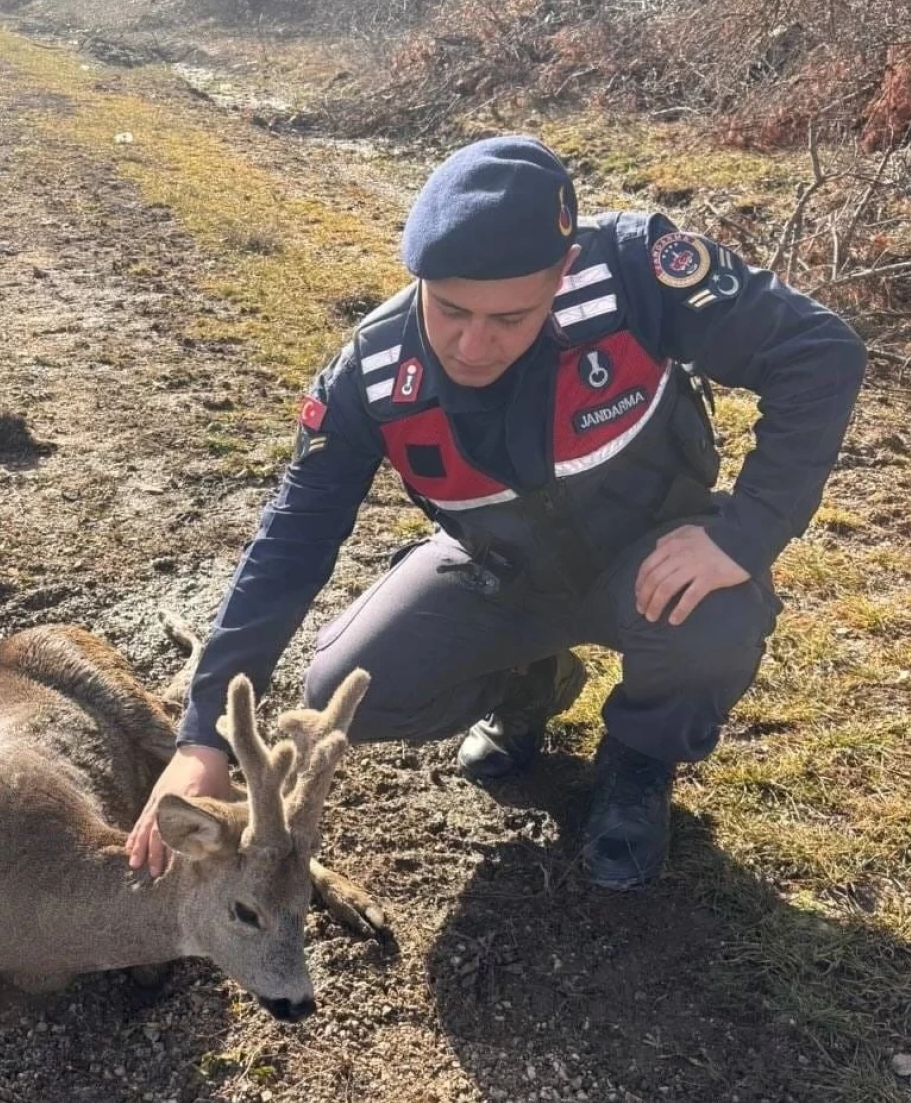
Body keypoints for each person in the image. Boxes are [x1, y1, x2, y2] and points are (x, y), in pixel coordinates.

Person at [126, 137, 867, 891]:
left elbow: (818, 352)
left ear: (563, 270)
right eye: (449, 309)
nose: (473, 345)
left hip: (649, 562)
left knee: (718, 616)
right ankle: (529, 684)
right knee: (346, 688)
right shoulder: (369, 378)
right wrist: (204, 737)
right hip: (501, 574)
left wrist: (744, 532)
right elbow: (289, 544)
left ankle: (639, 761)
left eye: (511, 317)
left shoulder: (635, 272)